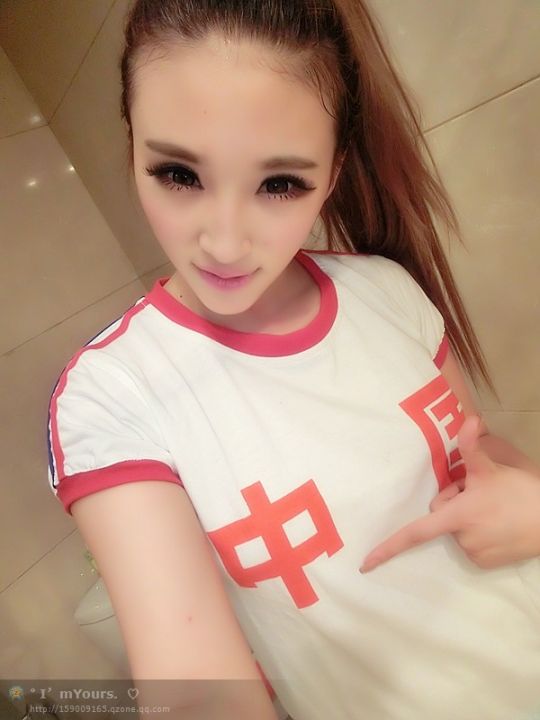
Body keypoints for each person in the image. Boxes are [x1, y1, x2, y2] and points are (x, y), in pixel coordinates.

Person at [46, 1, 540, 719]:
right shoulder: (112, 396)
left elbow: (478, 451)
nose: (224, 243)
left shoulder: (385, 289)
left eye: (279, 184)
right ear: (133, 146)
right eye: (179, 174)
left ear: (333, 173)